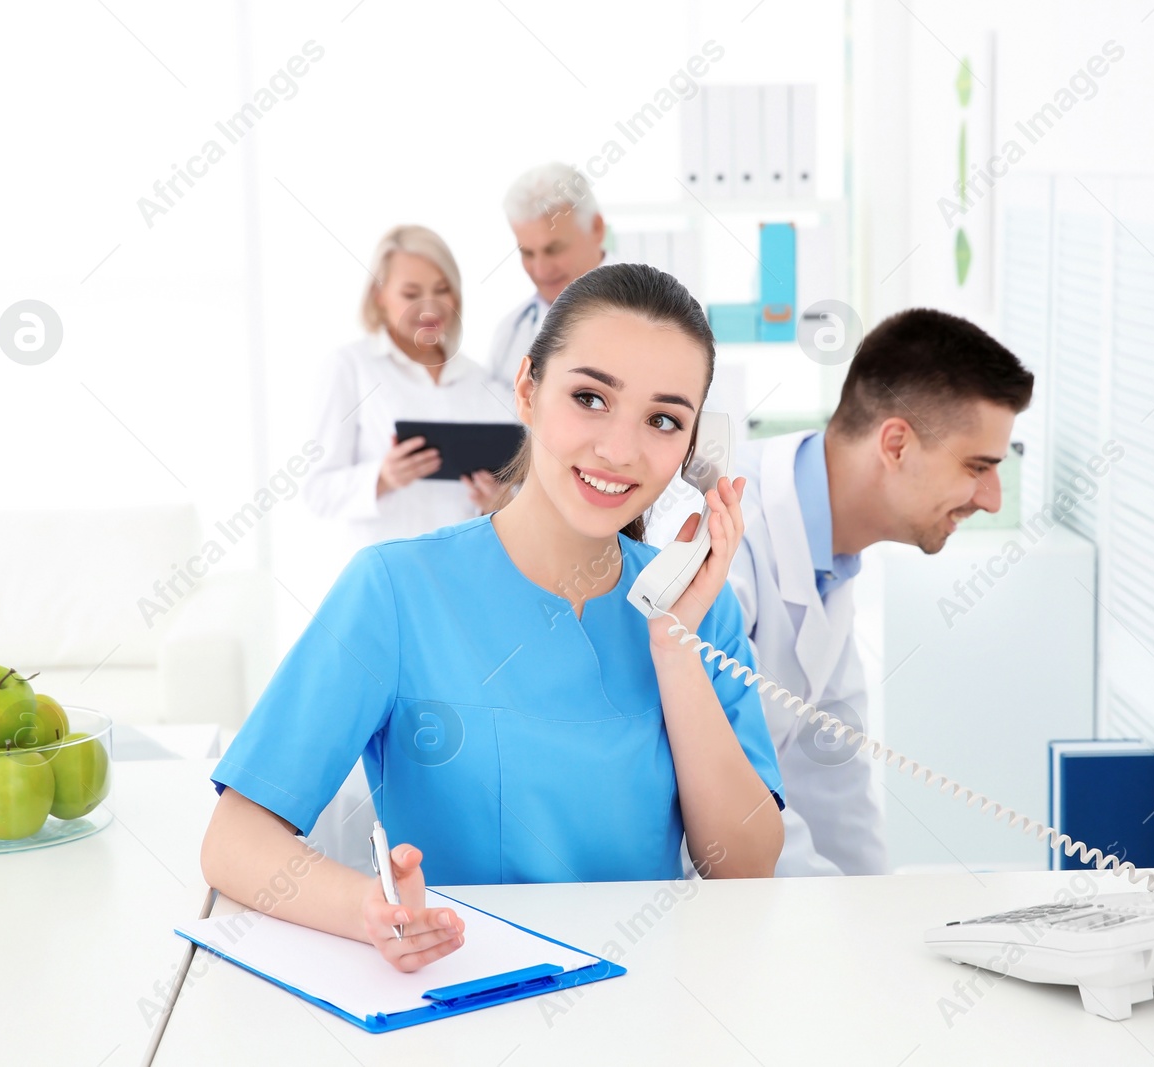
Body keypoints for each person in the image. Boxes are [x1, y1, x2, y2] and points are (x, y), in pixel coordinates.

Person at [202, 264, 784, 972]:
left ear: (696, 448)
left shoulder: (698, 613)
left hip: (649, 1003)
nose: (620, 449)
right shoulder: (395, 590)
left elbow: (745, 868)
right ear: (527, 389)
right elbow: (234, 841)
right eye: (590, 397)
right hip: (466, 1002)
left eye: (664, 419)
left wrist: (674, 648)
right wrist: (371, 911)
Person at [729, 308, 1034, 876]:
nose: (992, 498)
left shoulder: (832, 559)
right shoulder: (729, 537)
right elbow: (726, 798)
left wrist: (877, 911)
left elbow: (832, 779)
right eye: (978, 466)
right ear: (895, 444)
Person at [304, 224, 511, 551]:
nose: (429, 308)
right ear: (379, 295)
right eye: (411, 294)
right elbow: (318, 491)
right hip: (388, 574)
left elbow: (515, 496)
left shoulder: (483, 381)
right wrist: (383, 478)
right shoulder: (350, 367)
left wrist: (498, 502)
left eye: (442, 289)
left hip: (464, 569)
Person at [487, 163, 609, 394]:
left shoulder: (658, 315)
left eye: (554, 249)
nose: (541, 271)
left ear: (597, 228)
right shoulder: (509, 334)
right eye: (527, 253)